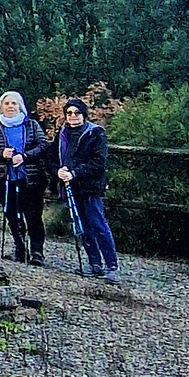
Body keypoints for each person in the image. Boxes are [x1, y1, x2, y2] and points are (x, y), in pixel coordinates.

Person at [0, 90, 50, 264]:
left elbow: (43, 145)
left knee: (33, 215)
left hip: (31, 177)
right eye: (7, 103)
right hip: (4, 177)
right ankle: (20, 248)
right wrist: (1, 153)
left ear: (20, 106)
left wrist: (25, 156)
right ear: (1, 107)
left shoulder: (31, 124)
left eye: (14, 103)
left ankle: (37, 252)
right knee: (12, 214)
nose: (11, 106)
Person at [57, 98, 120, 281]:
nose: (73, 116)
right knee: (82, 226)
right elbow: (53, 158)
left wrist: (75, 173)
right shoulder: (63, 134)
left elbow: (99, 162)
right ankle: (94, 263)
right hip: (70, 186)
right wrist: (58, 171)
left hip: (90, 188)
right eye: (69, 113)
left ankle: (111, 266)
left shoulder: (95, 133)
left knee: (98, 225)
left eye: (77, 112)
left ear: (84, 114)